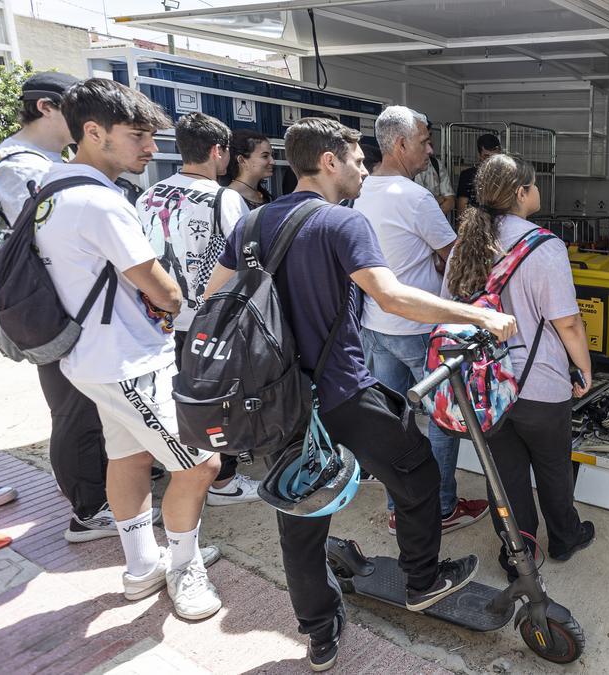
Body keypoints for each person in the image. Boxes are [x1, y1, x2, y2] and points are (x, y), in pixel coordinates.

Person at [203, 117, 517, 672]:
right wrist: (480, 315)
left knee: (299, 515)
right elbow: (393, 297)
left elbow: (214, 297)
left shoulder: (251, 223)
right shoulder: (341, 224)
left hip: (275, 401)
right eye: (354, 160)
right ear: (328, 162)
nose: (362, 170)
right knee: (416, 473)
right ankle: (421, 579)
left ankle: (320, 635)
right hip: (341, 393)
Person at [34, 78, 223, 619]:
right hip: (128, 361)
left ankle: (142, 568)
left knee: (130, 456)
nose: (150, 147)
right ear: (93, 132)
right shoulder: (100, 201)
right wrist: (169, 304)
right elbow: (160, 286)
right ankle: (185, 570)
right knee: (200, 464)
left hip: (90, 357)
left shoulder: (52, 187)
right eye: (137, 134)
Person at [444, 153, 596, 580]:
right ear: (522, 193)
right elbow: (567, 321)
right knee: (552, 466)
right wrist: (583, 369)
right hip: (541, 385)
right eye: (535, 185)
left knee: (505, 476)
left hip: (485, 383)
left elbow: (452, 311)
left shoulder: (465, 244)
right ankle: (565, 537)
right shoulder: (545, 246)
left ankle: (518, 551)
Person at [0, 71, 121, 543]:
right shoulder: (18, 166)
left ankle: (103, 490)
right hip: (48, 310)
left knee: (89, 403)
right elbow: (48, 242)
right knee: (74, 408)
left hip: (67, 304)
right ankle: (87, 510)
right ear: (45, 107)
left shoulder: (46, 160)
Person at [354, 105, 489, 535]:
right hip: (419, 330)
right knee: (443, 422)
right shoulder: (415, 198)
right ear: (400, 144)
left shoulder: (362, 192)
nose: (430, 151)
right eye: (425, 141)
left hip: (376, 326)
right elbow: (455, 256)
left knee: (394, 425)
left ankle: (399, 508)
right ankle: (443, 506)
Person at [135, 112, 261, 507]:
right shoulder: (225, 198)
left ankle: (181, 466)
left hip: (158, 319)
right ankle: (222, 481)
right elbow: (244, 260)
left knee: (173, 398)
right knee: (217, 402)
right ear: (217, 151)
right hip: (210, 321)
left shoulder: (148, 195)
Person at [222, 129, 274, 209]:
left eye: (272, 155)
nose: (272, 162)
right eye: (265, 156)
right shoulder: (228, 199)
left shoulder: (264, 195)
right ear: (242, 160)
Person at [414, 119, 455, 218]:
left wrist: (431, 218)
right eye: (424, 140)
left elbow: (450, 201)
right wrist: (437, 199)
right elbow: (417, 205)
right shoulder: (402, 171)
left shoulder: (436, 164)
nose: (429, 142)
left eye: (430, 135)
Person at [455, 132, 501, 214]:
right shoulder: (467, 175)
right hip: (475, 222)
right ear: (479, 155)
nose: (491, 161)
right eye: (487, 156)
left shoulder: (506, 175)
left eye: (495, 157)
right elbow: (461, 210)